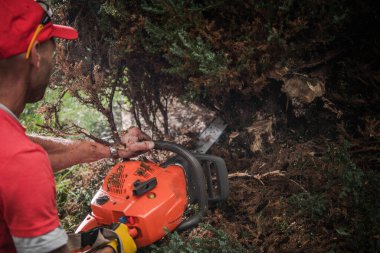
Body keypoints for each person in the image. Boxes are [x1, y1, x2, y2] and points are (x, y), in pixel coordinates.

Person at [0, 0, 154, 252]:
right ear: (36, 53)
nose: (55, 60)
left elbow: (18, 152)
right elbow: (20, 161)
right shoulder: (21, 162)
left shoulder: (11, 148)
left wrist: (112, 151)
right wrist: (115, 247)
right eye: (53, 46)